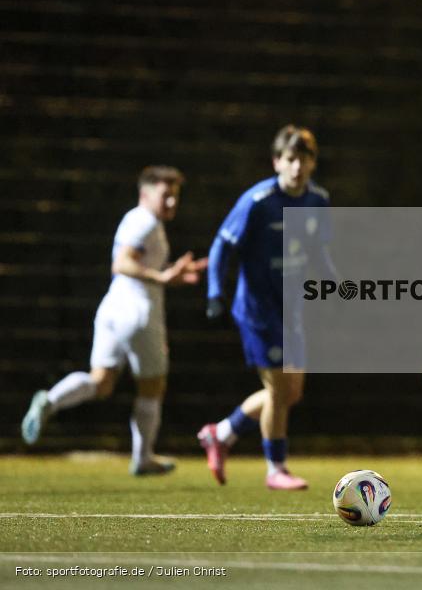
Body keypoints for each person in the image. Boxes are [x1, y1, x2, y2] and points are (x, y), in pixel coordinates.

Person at [20, 166, 207, 475]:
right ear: (144, 194)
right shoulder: (145, 222)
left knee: (101, 382)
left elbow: (132, 265)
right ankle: (143, 457)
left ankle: (50, 401)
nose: (172, 203)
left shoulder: (138, 220)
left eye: (175, 197)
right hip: (138, 313)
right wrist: (161, 276)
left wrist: (170, 274)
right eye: (166, 196)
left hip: (112, 308)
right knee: (152, 386)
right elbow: (122, 264)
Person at [198, 125, 337, 490]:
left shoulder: (318, 199)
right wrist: (215, 292)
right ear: (277, 161)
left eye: (304, 159)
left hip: (291, 309)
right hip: (258, 310)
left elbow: (318, 250)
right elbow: (221, 246)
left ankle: (222, 432)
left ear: (312, 164)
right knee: (278, 390)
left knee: (292, 393)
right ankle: (276, 467)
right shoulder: (257, 202)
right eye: (291, 159)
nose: (297, 167)